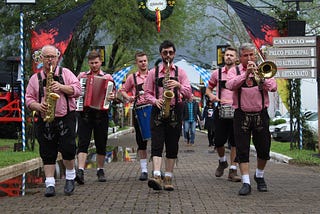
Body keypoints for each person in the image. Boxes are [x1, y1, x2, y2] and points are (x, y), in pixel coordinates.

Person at [26, 45, 81, 197]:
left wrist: (61, 87)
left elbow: (77, 90)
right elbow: (28, 99)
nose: (50, 60)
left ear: (58, 58)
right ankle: (50, 183)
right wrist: (38, 105)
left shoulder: (66, 73)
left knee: (68, 149)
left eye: (53, 57)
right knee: (47, 151)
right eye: (47, 57)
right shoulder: (35, 78)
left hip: (66, 116)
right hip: (45, 118)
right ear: (41, 58)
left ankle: (70, 177)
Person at [226, 43, 277, 196]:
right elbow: (230, 85)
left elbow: (273, 87)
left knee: (264, 148)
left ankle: (259, 175)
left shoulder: (263, 69)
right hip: (241, 114)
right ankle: (246, 182)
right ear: (240, 57)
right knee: (242, 149)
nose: (249, 58)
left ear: (255, 55)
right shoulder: (234, 71)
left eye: (251, 55)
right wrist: (245, 74)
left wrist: (261, 77)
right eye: (245, 56)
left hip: (260, 114)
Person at [144, 40, 192, 191]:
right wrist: (155, 100)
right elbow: (146, 93)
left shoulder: (181, 72)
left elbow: (189, 94)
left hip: (175, 110)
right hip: (158, 110)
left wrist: (178, 86)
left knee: (172, 145)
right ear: (161, 54)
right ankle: (157, 174)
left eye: (171, 52)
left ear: (174, 54)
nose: (168, 55)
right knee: (157, 144)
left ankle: (169, 176)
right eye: (165, 53)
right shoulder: (153, 72)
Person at [75, 50, 115, 184]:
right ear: (88, 63)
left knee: (101, 143)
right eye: (91, 63)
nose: (94, 65)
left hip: (100, 114)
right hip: (85, 113)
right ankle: (80, 170)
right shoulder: (82, 76)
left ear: (101, 62)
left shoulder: (108, 77)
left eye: (96, 63)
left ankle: (100, 169)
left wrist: (111, 96)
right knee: (83, 142)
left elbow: (113, 94)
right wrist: (80, 96)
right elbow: (76, 91)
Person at [205, 46, 241, 182]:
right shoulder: (217, 73)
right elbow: (208, 89)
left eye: (232, 55)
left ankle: (233, 170)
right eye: (227, 55)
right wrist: (212, 97)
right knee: (218, 141)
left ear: (236, 58)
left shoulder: (240, 73)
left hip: (236, 110)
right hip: (221, 109)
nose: (229, 57)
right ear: (223, 57)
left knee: (235, 142)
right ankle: (222, 161)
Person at [120, 51, 150, 181]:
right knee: (141, 141)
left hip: (153, 108)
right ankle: (144, 170)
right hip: (139, 109)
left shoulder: (153, 75)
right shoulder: (132, 77)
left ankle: (157, 168)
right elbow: (122, 90)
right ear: (137, 63)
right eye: (140, 61)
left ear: (147, 61)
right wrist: (129, 98)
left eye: (145, 60)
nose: (143, 63)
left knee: (157, 140)